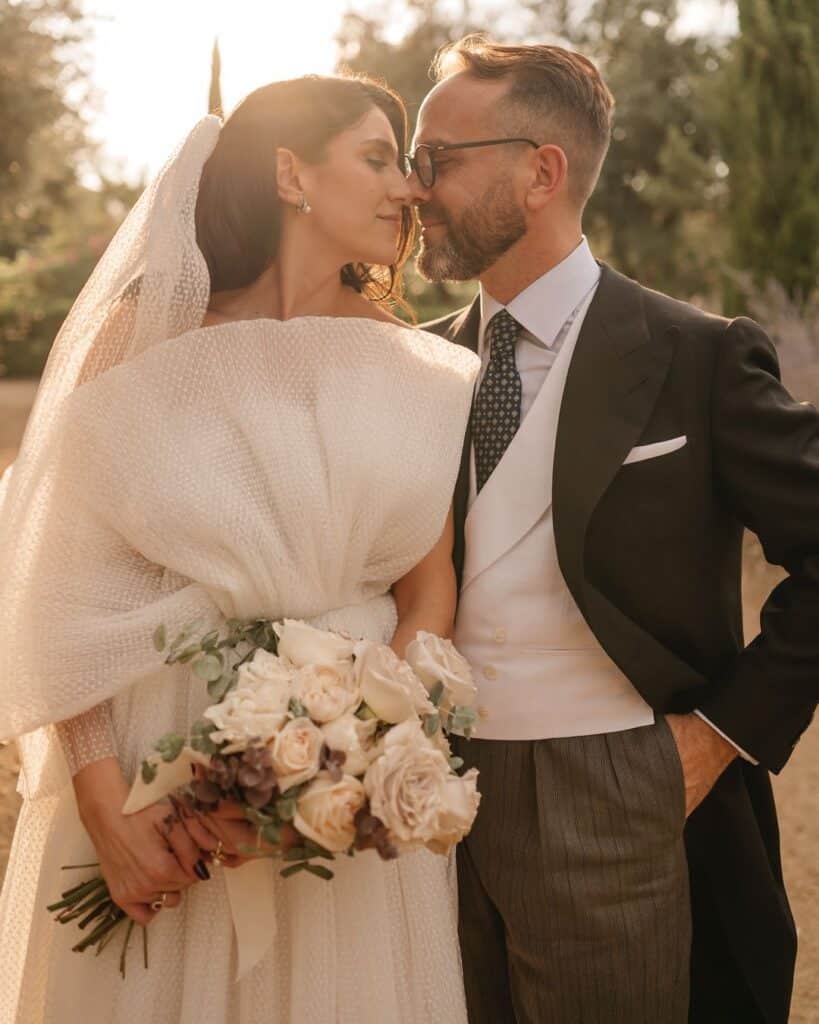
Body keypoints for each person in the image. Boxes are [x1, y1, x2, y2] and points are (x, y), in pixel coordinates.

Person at [0, 74, 479, 1023]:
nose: (409, 190)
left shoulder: (409, 362)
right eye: (377, 159)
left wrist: (357, 744)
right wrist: (106, 809)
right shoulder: (141, 339)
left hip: (342, 790)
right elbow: (58, 586)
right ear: (290, 172)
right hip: (152, 764)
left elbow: (430, 592)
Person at [411, 35, 818, 1024]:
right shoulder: (405, 370)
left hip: (624, 788)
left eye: (438, 161)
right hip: (427, 816)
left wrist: (718, 737)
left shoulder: (698, 356)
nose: (414, 189)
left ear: (541, 171)